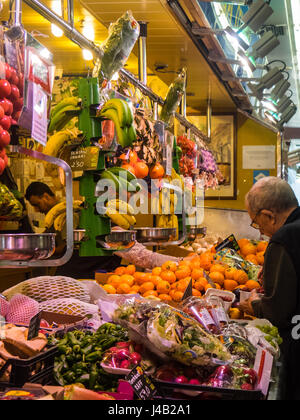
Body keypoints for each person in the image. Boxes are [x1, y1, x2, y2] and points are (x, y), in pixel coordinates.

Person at [25, 182, 182, 278]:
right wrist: (180, 262)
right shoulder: (106, 229)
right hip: (80, 286)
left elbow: (145, 257)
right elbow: (146, 258)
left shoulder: (93, 224)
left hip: (71, 282)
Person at [239, 176, 300, 400]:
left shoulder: (283, 239)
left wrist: (254, 305)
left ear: (268, 215)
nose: (260, 231)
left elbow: (279, 309)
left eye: (257, 222)